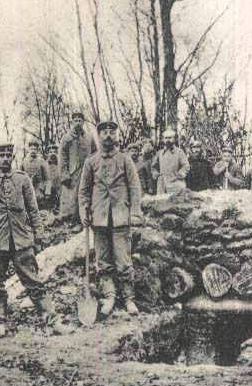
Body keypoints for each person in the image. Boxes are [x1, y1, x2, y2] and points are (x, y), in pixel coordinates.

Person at [0, 143, 73, 334]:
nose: (4, 159)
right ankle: (1, 322)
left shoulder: (22, 179)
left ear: (12, 157)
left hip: (21, 238)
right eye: (1, 155)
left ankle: (51, 320)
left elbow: (33, 210)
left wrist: (39, 235)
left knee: (33, 281)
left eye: (8, 155)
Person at [79, 121, 144, 317]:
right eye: (104, 133)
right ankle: (109, 297)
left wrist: (134, 213)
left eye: (112, 132)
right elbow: (83, 190)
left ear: (117, 136)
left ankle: (129, 298)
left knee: (123, 261)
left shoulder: (125, 159)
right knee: (103, 262)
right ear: (99, 137)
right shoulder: (91, 162)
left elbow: (134, 187)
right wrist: (84, 211)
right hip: (98, 217)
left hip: (120, 216)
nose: (108, 136)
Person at [59, 112, 97, 231]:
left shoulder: (89, 138)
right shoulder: (66, 138)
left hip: (88, 171)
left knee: (88, 194)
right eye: (75, 121)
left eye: (80, 121)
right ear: (72, 122)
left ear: (83, 122)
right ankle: (75, 221)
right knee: (74, 198)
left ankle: (89, 219)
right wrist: (64, 175)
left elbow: (95, 154)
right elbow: (63, 157)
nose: (77, 123)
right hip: (73, 173)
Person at [151, 129, 189, 194]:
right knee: (162, 202)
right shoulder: (159, 153)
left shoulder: (180, 152)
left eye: (170, 138)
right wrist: (156, 175)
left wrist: (179, 174)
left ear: (174, 139)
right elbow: (153, 166)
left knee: (177, 202)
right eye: (166, 138)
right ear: (163, 139)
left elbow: (186, 166)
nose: (168, 140)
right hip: (162, 184)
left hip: (176, 182)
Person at [22, 139, 52, 208]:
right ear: (28, 150)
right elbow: (19, 178)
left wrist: (47, 193)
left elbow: (47, 179)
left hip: (39, 193)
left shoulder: (41, 162)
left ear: (37, 150)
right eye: (31, 149)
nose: (33, 151)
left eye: (35, 149)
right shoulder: (23, 162)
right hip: (27, 191)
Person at [46, 143, 62, 212]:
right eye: (50, 152)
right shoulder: (44, 166)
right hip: (47, 195)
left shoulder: (61, 165)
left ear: (57, 153)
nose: (52, 154)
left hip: (59, 193)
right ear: (48, 154)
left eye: (54, 152)